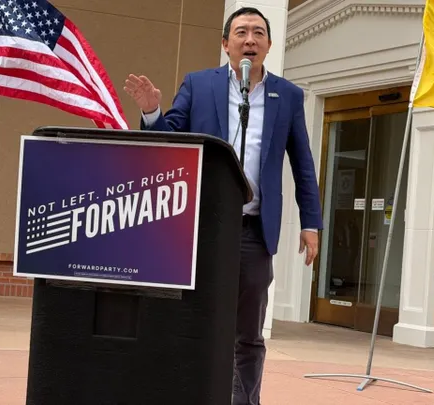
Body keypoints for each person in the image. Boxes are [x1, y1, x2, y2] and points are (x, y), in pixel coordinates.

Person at [123, 7, 323, 405]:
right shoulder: (199, 85)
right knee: (190, 320)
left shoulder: (289, 96)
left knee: (248, 332)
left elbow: (302, 164)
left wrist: (311, 222)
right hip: (201, 228)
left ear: (269, 43)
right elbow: (169, 142)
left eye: (259, 33)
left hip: (254, 232)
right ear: (225, 43)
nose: (250, 39)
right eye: (242, 32)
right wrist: (151, 111)